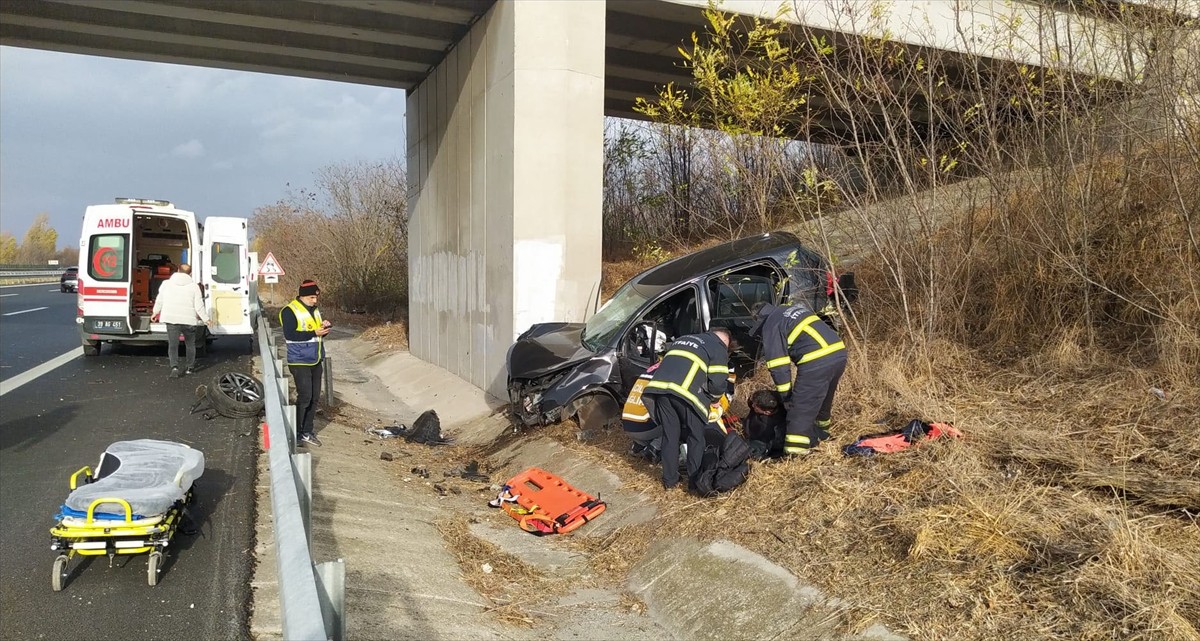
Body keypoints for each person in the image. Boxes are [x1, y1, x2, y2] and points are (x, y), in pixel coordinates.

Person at [750, 301, 846, 456]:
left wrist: (786, 397)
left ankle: (796, 456)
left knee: (799, 412)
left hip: (816, 360)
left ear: (760, 319)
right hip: (838, 353)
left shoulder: (771, 324)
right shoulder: (787, 311)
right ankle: (822, 436)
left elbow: (778, 366)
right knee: (822, 402)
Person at [640, 327, 731, 490]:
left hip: (659, 390)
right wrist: (716, 400)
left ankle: (670, 481)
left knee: (670, 436)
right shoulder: (717, 346)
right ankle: (694, 483)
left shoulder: (684, 337)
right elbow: (718, 382)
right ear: (724, 341)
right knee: (696, 437)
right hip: (685, 394)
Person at [280, 279, 331, 447]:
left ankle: (307, 431)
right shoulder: (289, 311)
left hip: (315, 358)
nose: (315, 301)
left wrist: (323, 330)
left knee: (315, 397)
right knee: (305, 396)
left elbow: (315, 335)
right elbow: (291, 335)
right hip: (299, 360)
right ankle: (297, 431)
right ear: (302, 296)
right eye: (311, 298)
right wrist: (313, 332)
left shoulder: (314, 311)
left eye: (316, 298)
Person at [151, 263, 210, 378]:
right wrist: (206, 319)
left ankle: (174, 367)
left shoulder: (166, 284)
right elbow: (199, 306)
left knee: (173, 345)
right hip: (188, 319)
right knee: (190, 345)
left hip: (171, 318)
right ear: (190, 273)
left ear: (177, 270)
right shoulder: (194, 287)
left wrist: (155, 312)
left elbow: (159, 300)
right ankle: (190, 368)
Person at [743, 389, 787, 458]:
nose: (752, 405)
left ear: (767, 412)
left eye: (755, 405)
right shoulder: (772, 400)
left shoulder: (771, 428)